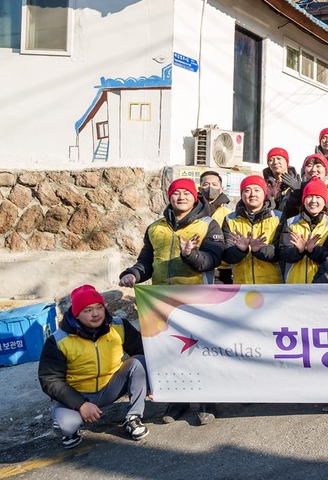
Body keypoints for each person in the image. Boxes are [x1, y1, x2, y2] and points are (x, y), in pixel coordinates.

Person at [119, 178, 223, 425]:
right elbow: (146, 261)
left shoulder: (208, 225)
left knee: (201, 351)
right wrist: (133, 273)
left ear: (195, 197)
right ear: (169, 197)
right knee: (171, 351)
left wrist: (190, 255)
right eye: (177, 193)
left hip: (198, 301)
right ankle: (178, 399)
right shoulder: (155, 228)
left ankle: (208, 400)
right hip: (162, 303)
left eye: (187, 193)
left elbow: (213, 260)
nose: (182, 197)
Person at [38, 285, 148, 449]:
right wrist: (80, 404)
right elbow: (50, 380)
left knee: (139, 361)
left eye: (99, 307)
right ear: (76, 314)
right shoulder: (58, 340)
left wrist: (155, 386)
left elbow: (143, 352)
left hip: (111, 387)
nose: (96, 314)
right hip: (77, 393)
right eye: (87, 310)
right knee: (64, 426)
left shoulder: (118, 326)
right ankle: (72, 428)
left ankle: (133, 417)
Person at [222, 175, 283, 284]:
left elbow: (280, 253)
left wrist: (259, 250)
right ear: (241, 195)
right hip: (241, 285)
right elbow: (227, 255)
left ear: (264, 194)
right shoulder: (230, 219)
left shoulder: (278, 218)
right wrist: (240, 250)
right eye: (247, 190)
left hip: (273, 286)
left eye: (257, 190)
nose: (252, 194)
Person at [279, 178, 328, 284]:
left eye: (318, 197)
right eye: (309, 196)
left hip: (322, 284)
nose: (313, 201)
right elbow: (283, 253)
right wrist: (299, 251)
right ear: (303, 200)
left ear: (324, 201)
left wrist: (313, 250)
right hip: (294, 283)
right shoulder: (291, 223)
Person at [199, 171, 234, 284]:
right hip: (196, 266)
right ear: (199, 189)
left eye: (214, 184)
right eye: (206, 184)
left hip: (222, 271)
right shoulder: (192, 212)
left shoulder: (229, 214)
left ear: (221, 189)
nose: (210, 187)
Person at [263, 147, 301, 213]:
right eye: (271, 160)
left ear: (286, 162)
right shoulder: (264, 185)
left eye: (279, 158)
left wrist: (299, 191)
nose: (275, 162)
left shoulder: (297, 182)